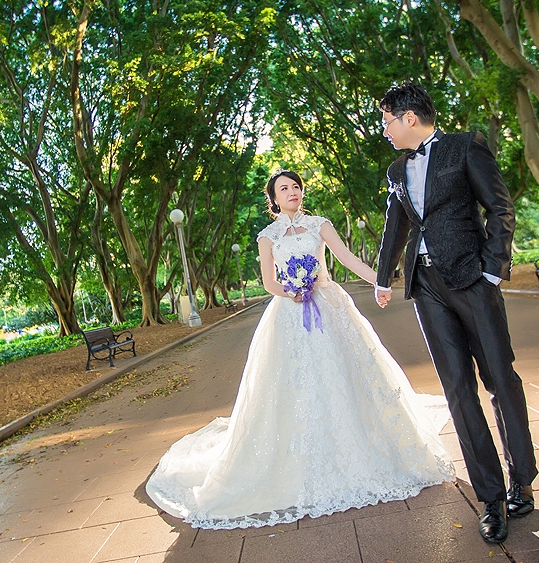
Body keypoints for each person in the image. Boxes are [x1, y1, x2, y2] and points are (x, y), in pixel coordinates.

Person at [145, 169, 455, 529]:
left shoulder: (319, 225)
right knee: (295, 382)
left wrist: (380, 280)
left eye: (296, 186)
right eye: (284, 188)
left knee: (342, 372)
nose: (292, 191)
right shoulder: (267, 236)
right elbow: (268, 281)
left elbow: (347, 258)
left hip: (329, 305)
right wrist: (290, 290)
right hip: (289, 314)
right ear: (274, 199)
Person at [374, 82, 537, 544]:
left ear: (409, 118)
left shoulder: (466, 146)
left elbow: (500, 208)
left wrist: (493, 271)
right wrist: (384, 277)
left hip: (473, 280)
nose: (384, 131)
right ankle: (490, 497)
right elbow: (396, 224)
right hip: (427, 288)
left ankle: (521, 479)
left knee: (500, 379)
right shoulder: (396, 169)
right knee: (459, 391)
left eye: (387, 121)